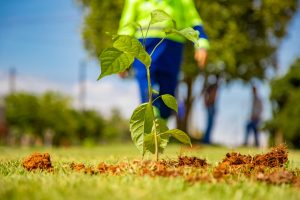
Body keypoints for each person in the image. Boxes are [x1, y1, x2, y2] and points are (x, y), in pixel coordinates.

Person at [118, 0, 209, 119]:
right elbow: (126, 27)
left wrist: (201, 44)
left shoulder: (182, 2)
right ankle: (151, 130)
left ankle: (162, 128)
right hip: (144, 47)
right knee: (148, 93)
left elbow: (194, 21)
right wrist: (122, 55)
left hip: (172, 51)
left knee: (167, 99)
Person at [202, 76, 219, 144]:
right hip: (211, 106)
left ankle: (207, 139)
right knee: (210, 124)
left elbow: (206, 95)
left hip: (211, 106)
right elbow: (211, 97)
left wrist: (206, 103)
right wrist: (207, 103)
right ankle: (206, 140)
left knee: (210, 124)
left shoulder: (213, 87)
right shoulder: (214, 88)